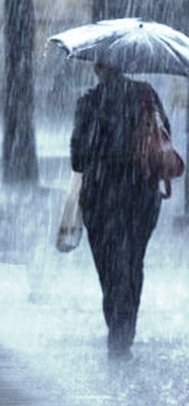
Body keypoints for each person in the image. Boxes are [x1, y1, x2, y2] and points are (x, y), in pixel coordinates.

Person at [71, 62, 166, 360]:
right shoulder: (145, 95)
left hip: (101, 198)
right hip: (142, 195)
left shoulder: (89, 103)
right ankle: (125, 330)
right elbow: (164, 138)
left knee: (110, 269)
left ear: (98, 68)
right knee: (133, 262)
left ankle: (117, 327)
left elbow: (77, 159)